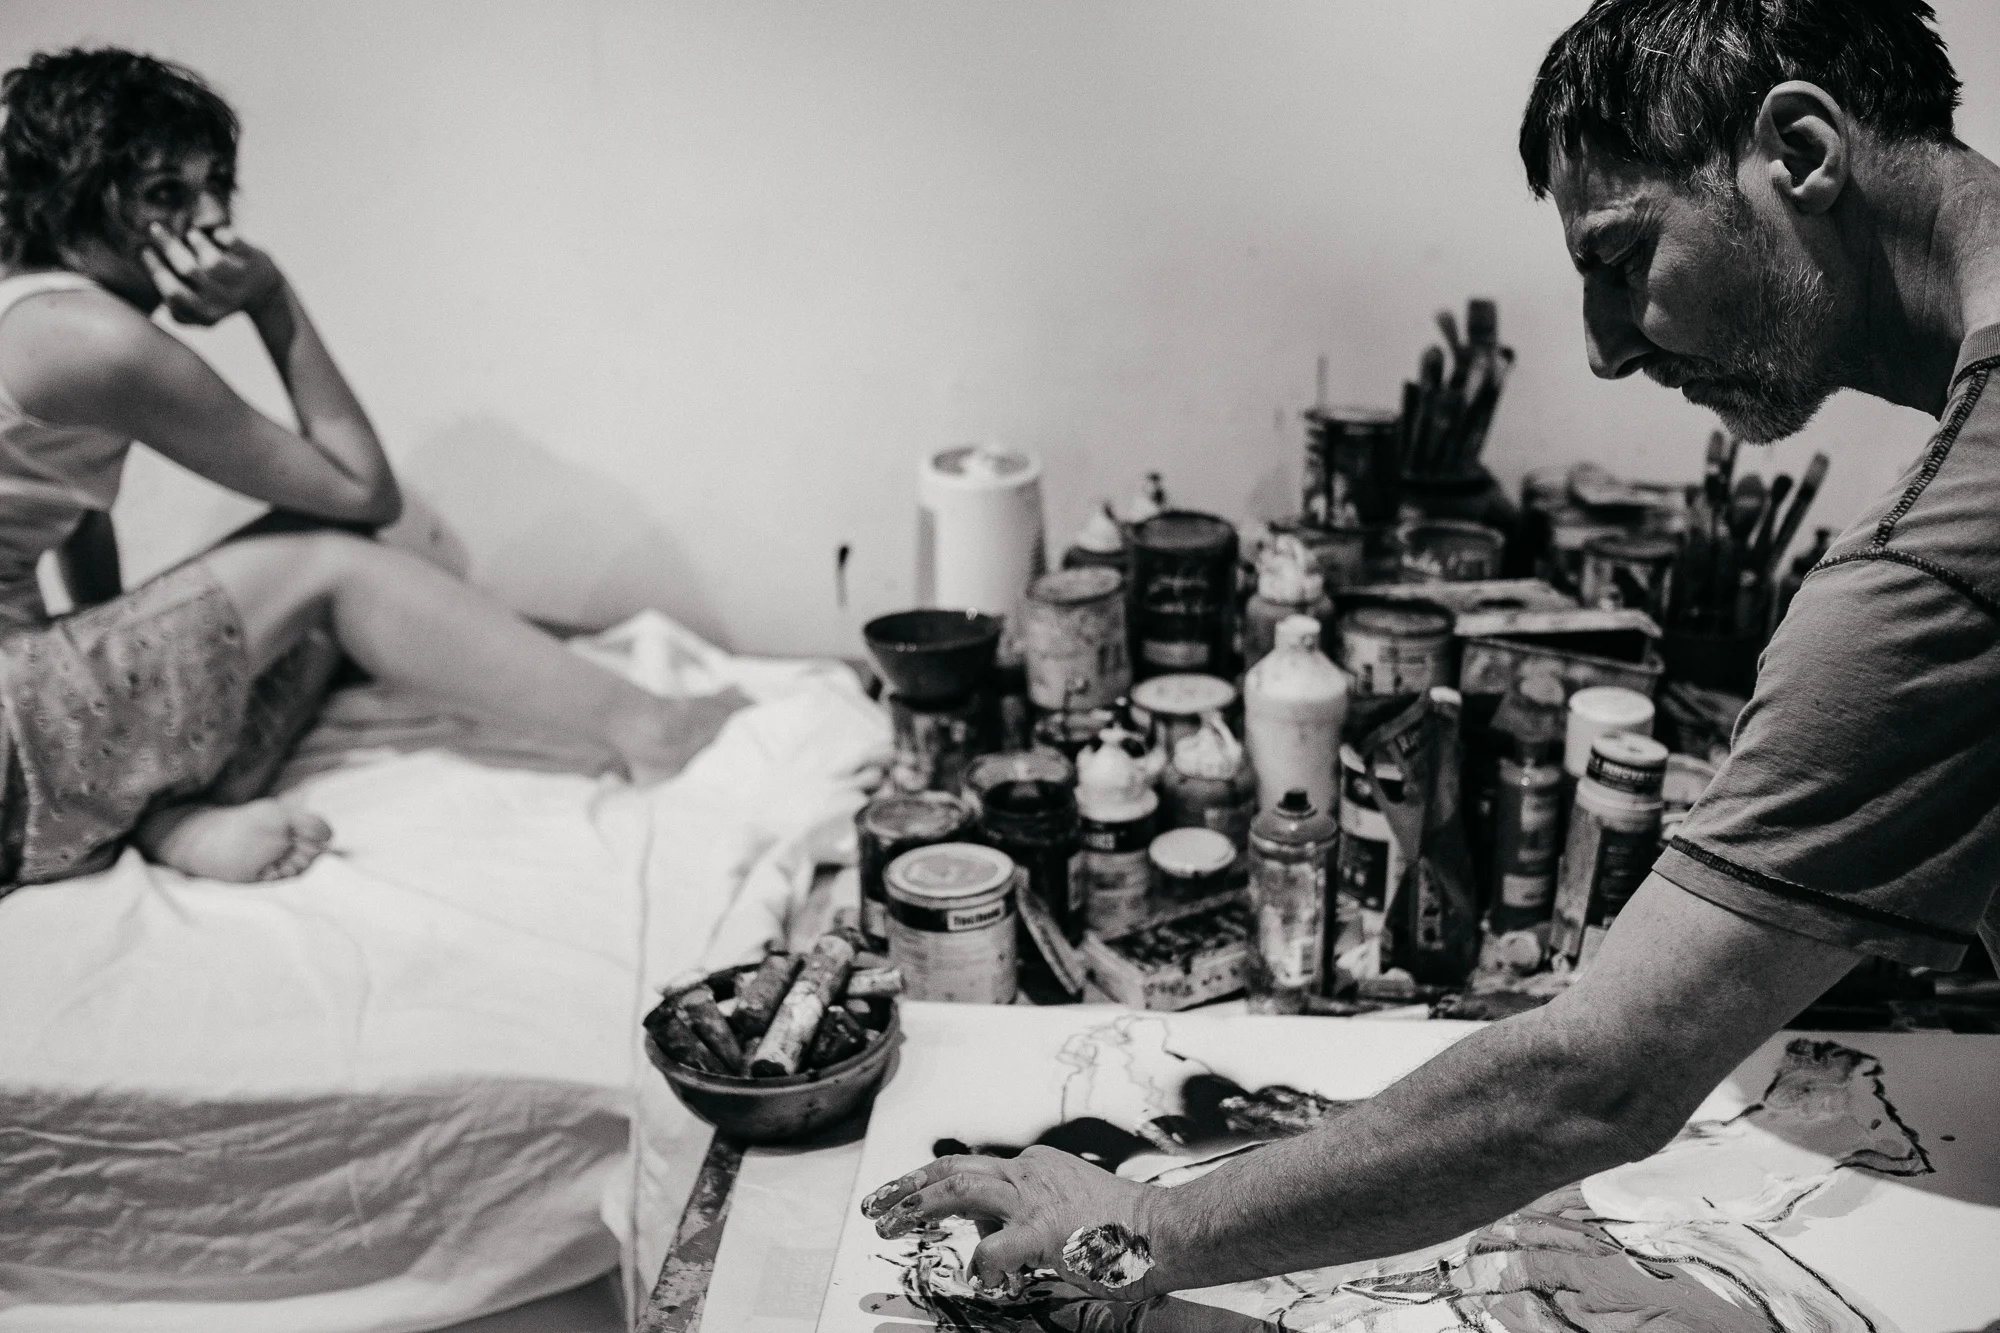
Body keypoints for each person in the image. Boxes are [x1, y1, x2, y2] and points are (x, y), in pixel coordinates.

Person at [864, 0, 2000, 1302]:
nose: (1604, 347)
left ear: (1800, 151)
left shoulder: (1932, 568)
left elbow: (1601, 1076)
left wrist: (1143, 1224)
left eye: (1621, 255)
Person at [0, 47, 744, 888]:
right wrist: (270, 297)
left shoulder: (33, 313)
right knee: (332, 557)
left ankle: (149, 810)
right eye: (166, 193)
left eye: (217, 186)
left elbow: (79, 514)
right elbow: (361, 490)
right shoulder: (92, 338)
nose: (211, 220)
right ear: (66, 199)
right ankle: (654, 730)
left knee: (325, 611)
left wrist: (106, 657)